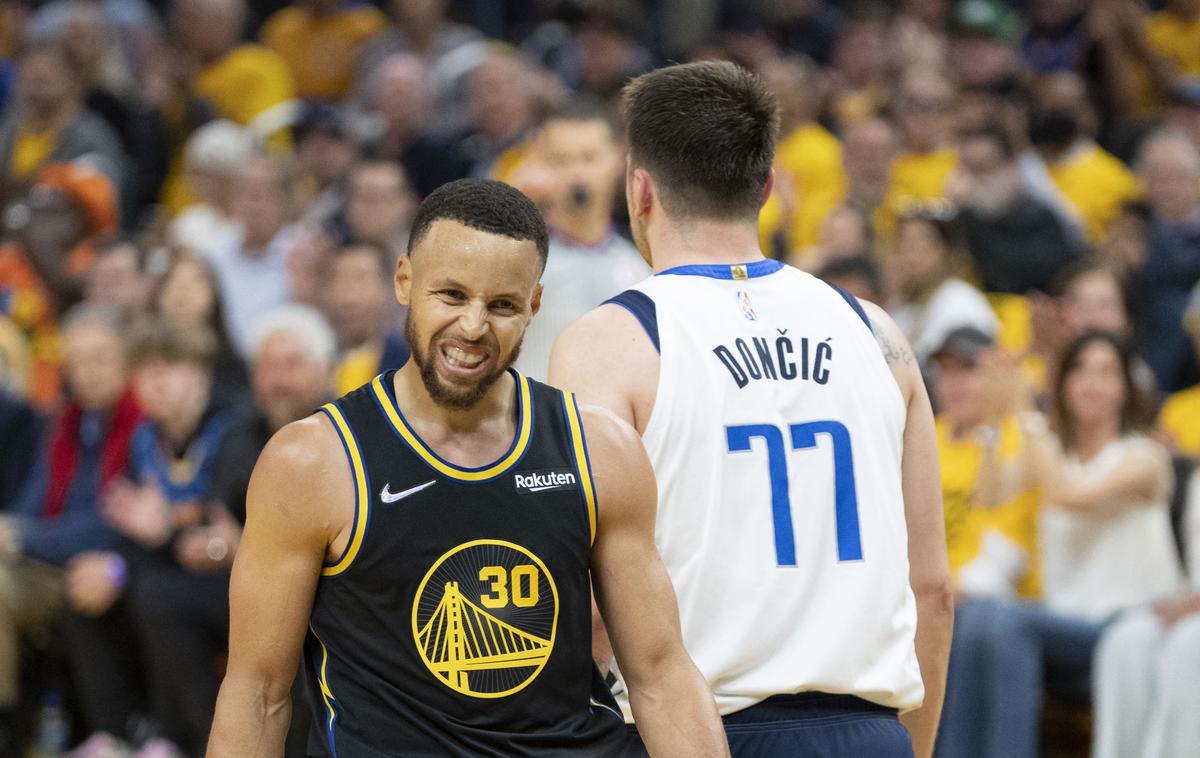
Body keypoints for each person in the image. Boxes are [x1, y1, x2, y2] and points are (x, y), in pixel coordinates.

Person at [207, 178, 727, 757]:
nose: (474, 327)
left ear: (533, 305)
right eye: (451, 295)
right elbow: (258, 693)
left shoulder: (599, 449)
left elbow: (661, 675)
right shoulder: (312, 462)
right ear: (404, 281)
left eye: (502, 305)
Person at [550, 61, 952, 757]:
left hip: (693, 732)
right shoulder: (878, 334)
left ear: (638, 190)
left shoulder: (608, 344)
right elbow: (934, 589)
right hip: (869, 733)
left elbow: (585, 606)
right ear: (767, 189)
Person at [938, 331, 1185, 758]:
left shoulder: (1145, 459)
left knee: (1003, 620)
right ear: (1064, 384)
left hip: (1131, 624)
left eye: (1106, 373)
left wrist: (1025, 415)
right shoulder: (1052, 453)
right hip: (1064, 623)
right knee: (974, 616)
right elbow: (990, 493)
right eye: (1079, 371)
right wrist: (998, 424)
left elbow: (1069, 496)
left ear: (1126, 387)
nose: (1091, 383)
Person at [511, 98, 647, 380]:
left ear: (619, 156)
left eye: (589, 157)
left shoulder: (637, 264)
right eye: (561, 160)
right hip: (535, 420)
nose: (577, 174)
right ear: (540, 159)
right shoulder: (520, 259)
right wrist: (512, 203)